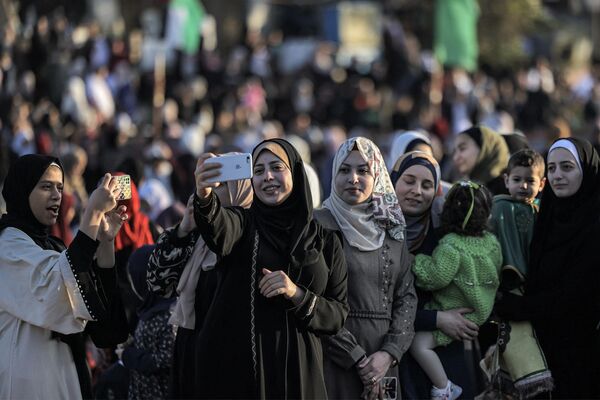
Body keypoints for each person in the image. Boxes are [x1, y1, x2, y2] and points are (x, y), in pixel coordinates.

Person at [190, 138, 348, 399]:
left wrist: (296, 293)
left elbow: (337, 315)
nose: (268, 177)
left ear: (295, 173)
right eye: (259, 171)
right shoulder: (244, 224)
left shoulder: (326, 240)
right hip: (247, 370)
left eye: (277, 167)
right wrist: (204, 196)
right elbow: (219, 229)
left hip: (302, 371)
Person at [0, 154, 129, 399]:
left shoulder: (54, 247)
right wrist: (91, 214)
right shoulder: (7, 245)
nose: (56, 195)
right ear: (23, 189)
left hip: (66, 381)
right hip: (27, 384)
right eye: (46, 186)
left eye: (60, 187)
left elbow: (104, 327)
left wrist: (105, 241)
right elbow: (54, 293)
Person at [495, 138, 600, 398]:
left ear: (586, 170)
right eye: (551, 168)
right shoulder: (545, 216)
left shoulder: (594, 224)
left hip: (583, 356)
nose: (557, 176)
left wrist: (515, 306)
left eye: (567, 167)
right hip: (541, 349)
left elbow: (575, 296)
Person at [315, 137, 417, 400]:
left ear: (378, 176)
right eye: (344, 170)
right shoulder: (318, 225)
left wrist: (390, 352)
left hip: (384, 361)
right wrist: (358, 359)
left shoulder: (391, 228)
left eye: (363, 170)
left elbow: (406, 297)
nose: (353, 178)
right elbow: (316, 302)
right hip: (335, 358)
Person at [146, 178, 253, 399]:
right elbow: (158, 283)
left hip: (234, 354)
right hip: (192, 349)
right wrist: (184, 228)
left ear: (239, 189)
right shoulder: (195, 235)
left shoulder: (254, 237)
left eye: (221, 185)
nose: (211, 190)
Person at [391, 151, 481, 399]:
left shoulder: (445, 236)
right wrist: (437, 319)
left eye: (427, 185)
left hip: (444, 355)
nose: (417, 191)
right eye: (409, 181)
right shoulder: (375, 232)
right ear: (392, 180)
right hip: (392, 356)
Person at [410, 181, 502, 400]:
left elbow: (434, 278)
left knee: (418, 345)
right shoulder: (492, 243)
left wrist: (417, 261)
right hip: (478, 315)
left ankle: (444, 388)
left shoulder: (451, 246)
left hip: (453, 313)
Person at [119, 244, 176, 400]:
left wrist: (128, 355)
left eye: (133, 278)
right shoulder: (150, 310)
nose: (132, 284)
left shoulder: (169, 315)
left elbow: (165, 359)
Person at [452, 126, 510, 195]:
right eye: (454, 151)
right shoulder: (464, 188)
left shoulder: (509, 188)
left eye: (462, 148)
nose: (455, 157)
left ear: (485, 148)